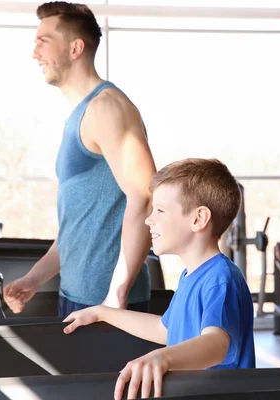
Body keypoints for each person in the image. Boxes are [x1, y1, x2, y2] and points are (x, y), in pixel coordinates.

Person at [3, 2, 157, 316]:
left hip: (106, 301)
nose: (35, 54)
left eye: (43, 42)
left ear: (75, 48)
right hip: (79, 295)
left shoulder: (107, 108)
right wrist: (34, 279)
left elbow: (146, 196)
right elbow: (77, 226)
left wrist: (118, 291)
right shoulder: (81, 115)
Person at [62, 158, 256, 400]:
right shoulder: (191, 276)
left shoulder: (220, 279)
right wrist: (102, 313)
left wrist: (162, 357)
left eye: (160, 210)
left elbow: (217, 343)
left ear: (198, 219)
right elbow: (164, 329)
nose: (148, 220)